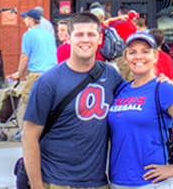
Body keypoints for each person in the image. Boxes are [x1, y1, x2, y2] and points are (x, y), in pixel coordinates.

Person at [22, 11, 125, 189]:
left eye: (91, 34)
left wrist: (160, 82)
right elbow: (29, 136)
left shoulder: (111, 76)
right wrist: (37, 186)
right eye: (79, 35)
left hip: (97, 182)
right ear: (68, 38)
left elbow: (138, 96)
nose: (85, 40)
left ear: (100, 39)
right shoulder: (48, 82)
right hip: (56, 181)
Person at [107, 31, 173, 188]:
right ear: (126, 58)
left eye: (145, 51)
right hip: (118, 181)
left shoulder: (162, 89)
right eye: (132, 52)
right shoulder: (121, 90)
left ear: (155, 57)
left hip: (151, 183)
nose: (138, 56)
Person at [9, 7, 56, 123]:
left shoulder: (28, 34)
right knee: (47, 102)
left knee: (27, 100)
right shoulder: (48, 34)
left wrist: (20, 73)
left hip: (36, 73)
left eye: (25, 18)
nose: (24, 21)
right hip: (52, 73)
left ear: (31, 19)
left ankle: (26, 131)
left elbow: (24, 57)